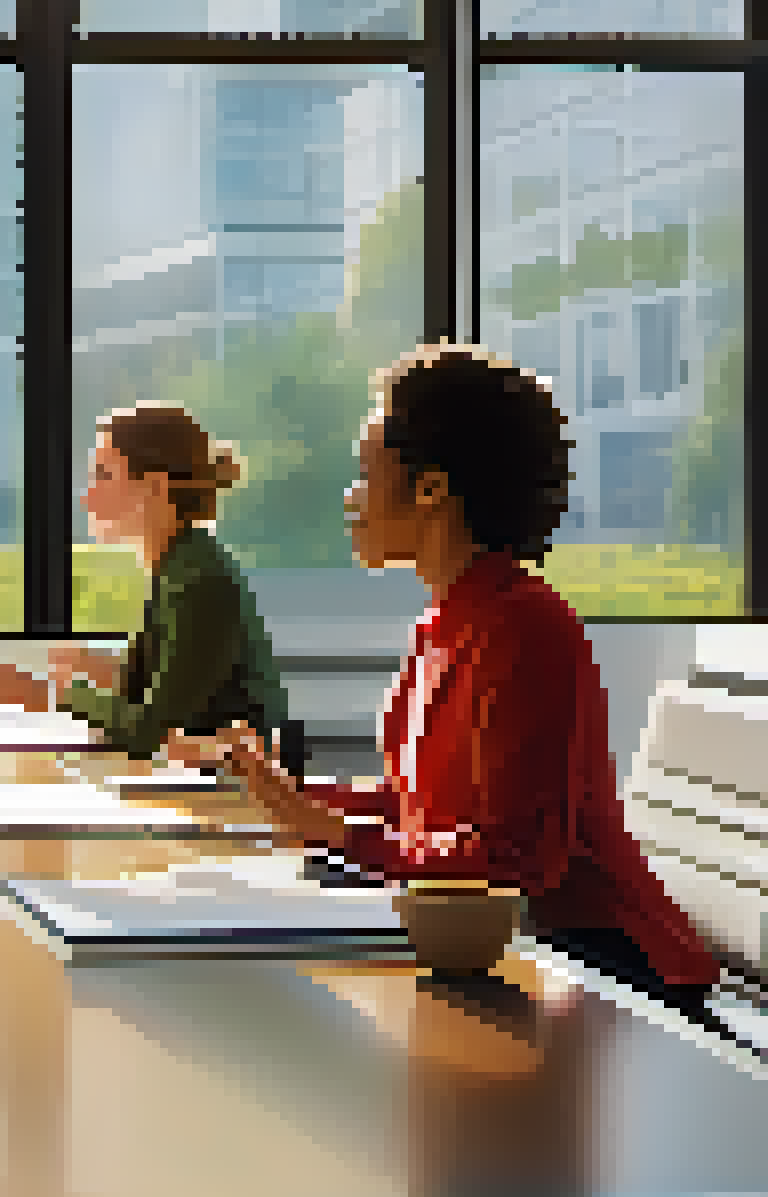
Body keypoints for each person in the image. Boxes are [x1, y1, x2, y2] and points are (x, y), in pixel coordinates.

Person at [167, 343, 721, 1011]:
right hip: (505, 947)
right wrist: (289, 795)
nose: (351, 498)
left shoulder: (527, 629)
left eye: (365, 473)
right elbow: (416, 808)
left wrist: (340, 835)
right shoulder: (442, 622)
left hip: (605, 971)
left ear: (431, 488)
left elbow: (516, 860)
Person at [0, 405, 300, 776]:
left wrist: (54, 697)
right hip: (206, 775)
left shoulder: (197, 581)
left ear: (155, 487)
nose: (87, 497)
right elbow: (151, 685)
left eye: (104, 475)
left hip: (242, 791)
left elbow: (150, 730)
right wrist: (88, 666)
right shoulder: (178, 565)